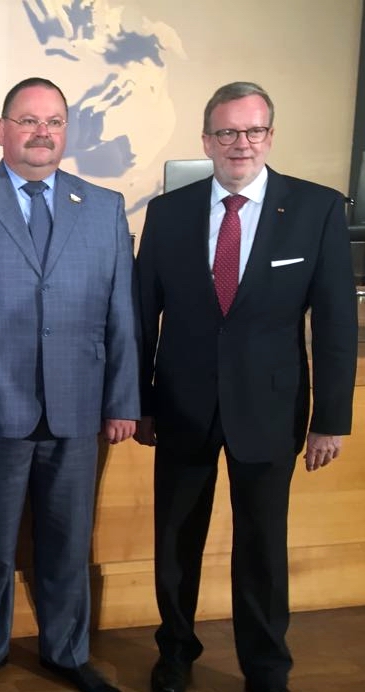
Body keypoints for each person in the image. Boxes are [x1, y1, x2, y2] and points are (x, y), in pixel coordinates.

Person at [135, 81, 358, 692]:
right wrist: (140, 402)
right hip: (181, 406)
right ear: (207, 140)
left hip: (270, 409)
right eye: (228, 132)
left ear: (271, 136)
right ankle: (175, 651)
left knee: (262, 545)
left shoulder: (315, 210)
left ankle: (265, 665)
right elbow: (141, 316)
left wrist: (330, 419)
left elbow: (336, 324)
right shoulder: (168, 213)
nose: (242, 143)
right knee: (176, 540)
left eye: (254, 130)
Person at [0, 77, 139, 692]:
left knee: (68, 544)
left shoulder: (104, 207)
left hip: (78, 406)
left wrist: (123, 399)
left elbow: (121, 311)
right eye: (28, 120)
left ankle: (66, 653)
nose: (42, 132)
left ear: (66, 132)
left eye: (54, 122)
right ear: (2, 130)